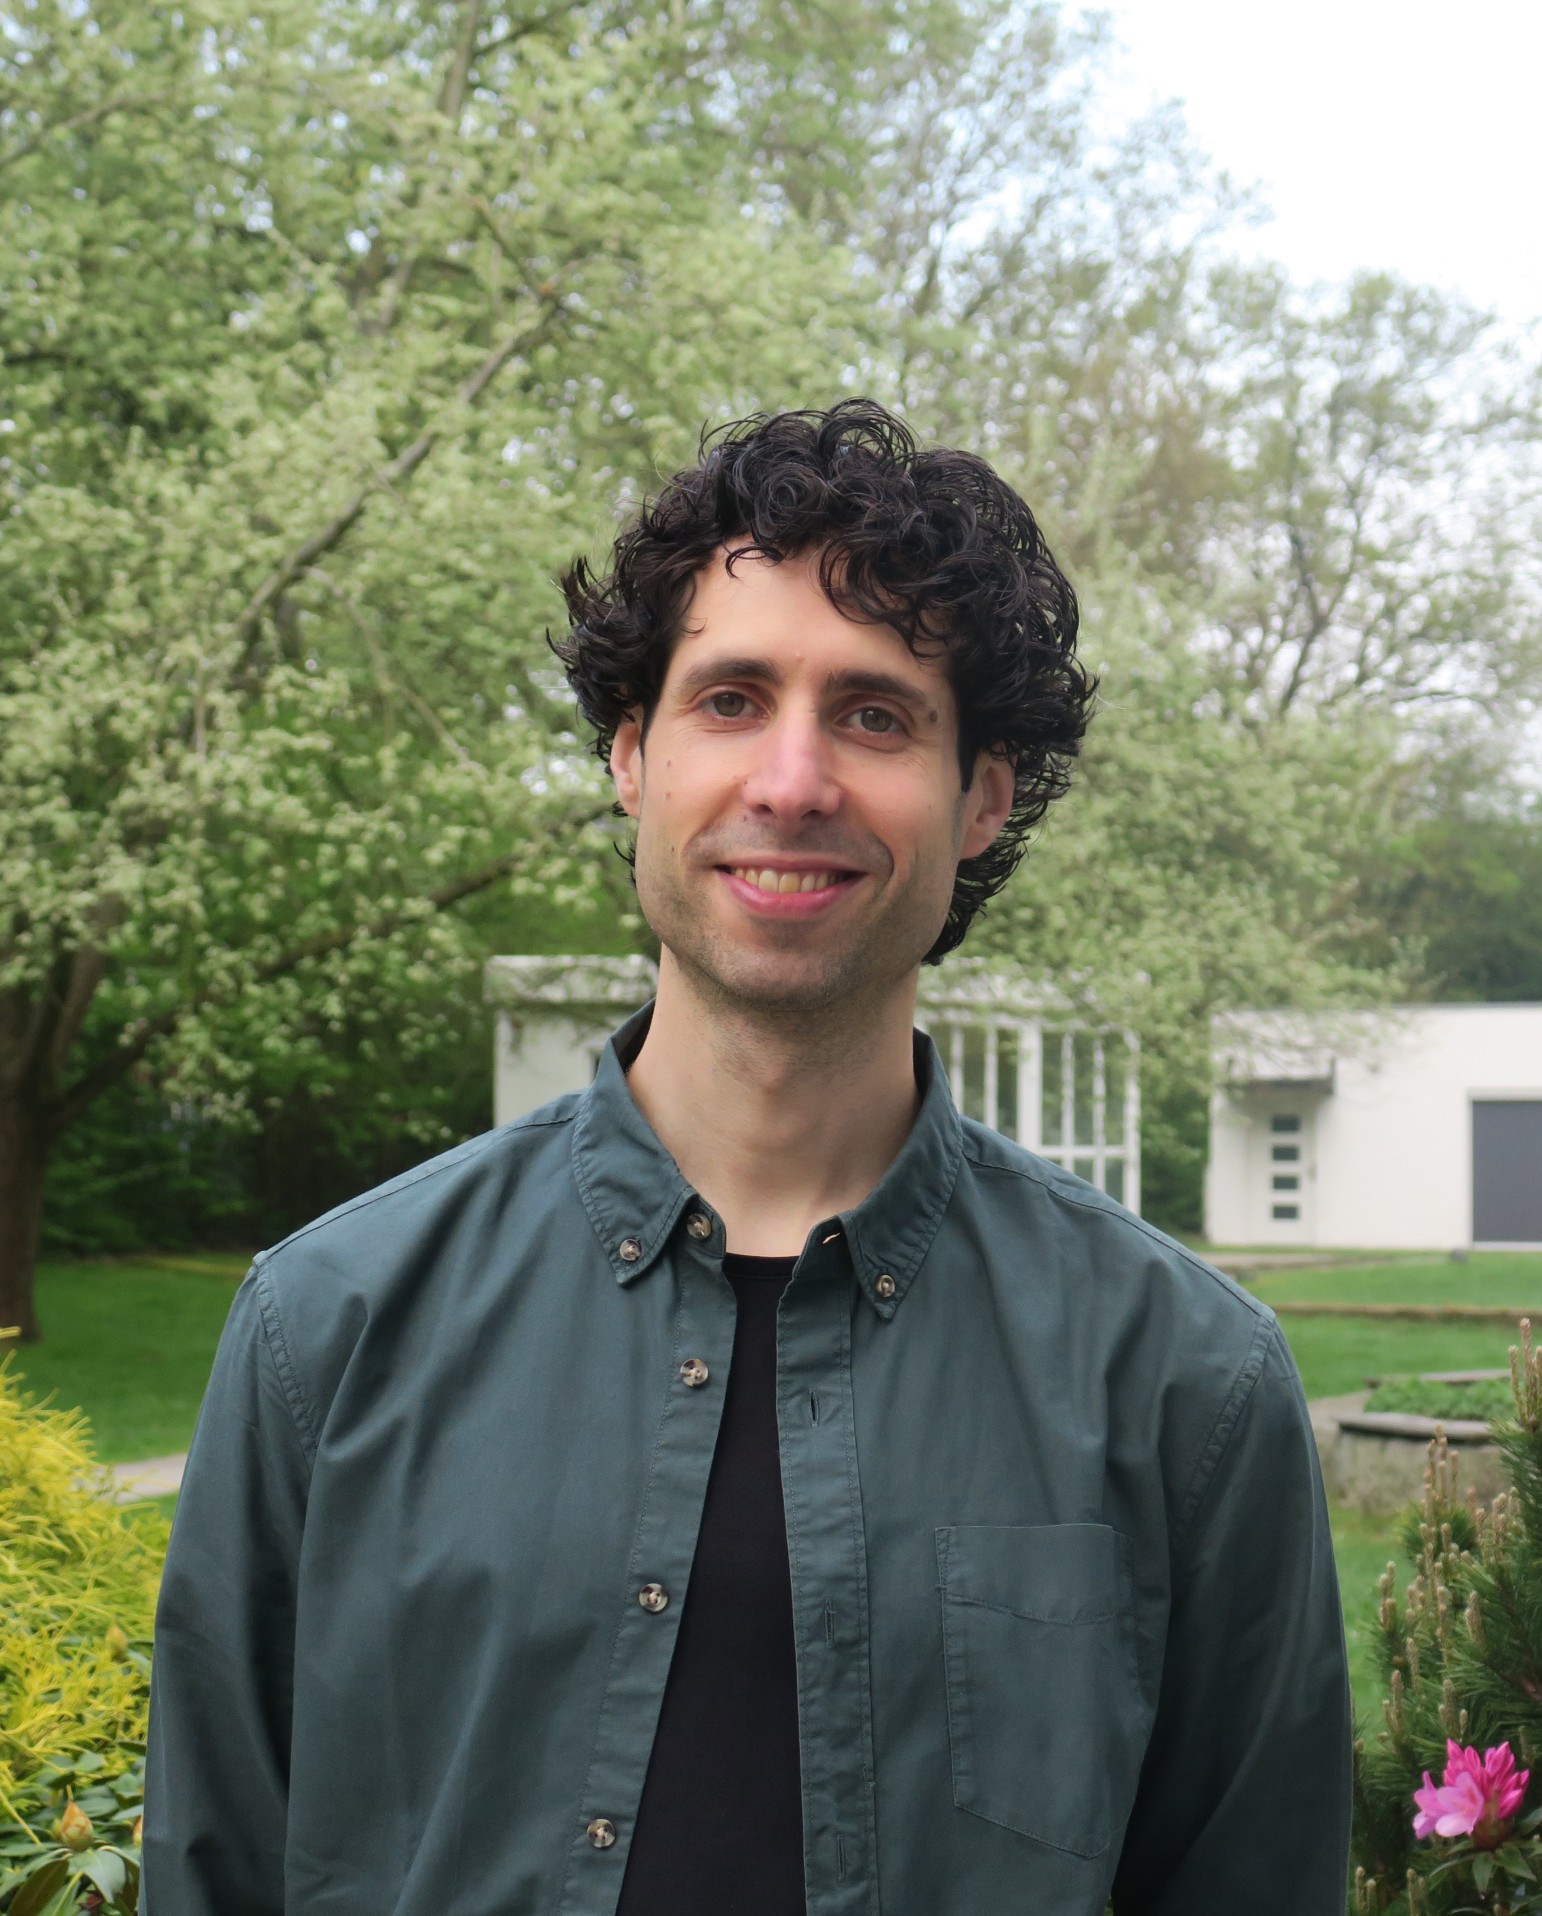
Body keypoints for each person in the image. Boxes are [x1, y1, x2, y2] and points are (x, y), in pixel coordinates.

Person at [143, 399, 1353, 1914]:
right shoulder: (325, 1328)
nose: (792, 781)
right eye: (729, 700)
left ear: (982, 796)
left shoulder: (1189, 1382)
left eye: (875, 715)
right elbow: (213, 1868)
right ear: (631, 759)